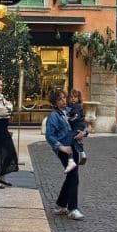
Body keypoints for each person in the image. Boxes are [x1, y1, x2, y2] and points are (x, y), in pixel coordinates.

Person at [45, 89, 83, 219]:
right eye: (60, 99)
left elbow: (80, 123)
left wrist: (83, 132)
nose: (63, 101)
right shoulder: (53, 116)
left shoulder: (68, 111)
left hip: (74, 147)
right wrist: (61, 147)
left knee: (72, 176)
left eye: (64, 98)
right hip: (64, 149)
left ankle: (61, 205)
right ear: (54, 102)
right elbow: (49, 136)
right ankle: (72, 208)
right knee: (74, 176)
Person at [66, 89, 89, 165]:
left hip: (78, 126)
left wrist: (69, 119)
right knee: (77, 140)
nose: (73, 99)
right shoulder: (74, 107)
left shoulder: (77, 106)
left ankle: (82, 154)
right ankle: (82, 154)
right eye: (71, 97)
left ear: (78, 98)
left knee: (73, 138)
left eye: (75, 97)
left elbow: (76, 116)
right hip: (79, 126)